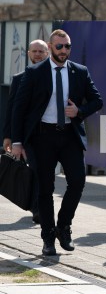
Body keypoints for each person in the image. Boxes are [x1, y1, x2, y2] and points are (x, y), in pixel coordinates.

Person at [11, 29, 103, 256]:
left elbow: (97, 100)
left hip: (70, 136)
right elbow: (19, 109)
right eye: (59, 46)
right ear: (50, 47)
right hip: (42, 137)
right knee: (45, 188)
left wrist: (79, 111)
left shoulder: (80, 71)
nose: (64, 50)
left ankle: (63, 225)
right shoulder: (35, 73)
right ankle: (48, 237)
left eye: (67, 46)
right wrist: (16, 141)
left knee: (78, 182)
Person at [3, 39, 49, 224]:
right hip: (28, 135)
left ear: (47, 53)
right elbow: (12, 109)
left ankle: (38, 205)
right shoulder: (19, 78)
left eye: (41, 51)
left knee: (44, 173)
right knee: (37, 171)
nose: (37, 54)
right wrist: (8, 136)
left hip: (51, 134)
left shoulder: (55, 77)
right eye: (34, 51)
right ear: (28, 54)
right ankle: (38, 209)